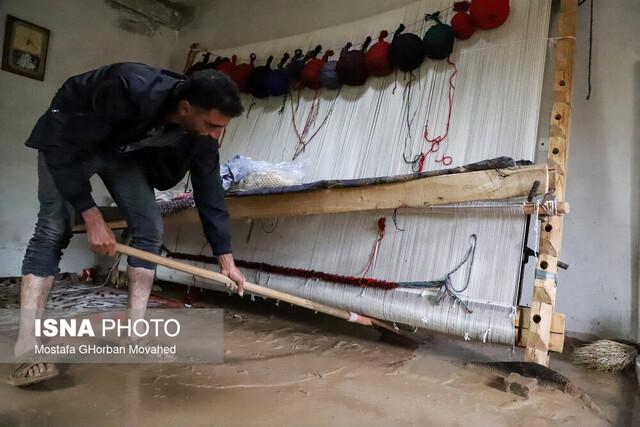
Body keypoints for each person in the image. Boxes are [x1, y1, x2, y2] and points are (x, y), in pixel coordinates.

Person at [9, 62, 246, 386]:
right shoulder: (127, 87)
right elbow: (61, 149)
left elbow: (209, 190)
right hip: (66, 141)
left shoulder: (200, 135)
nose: (216, 134)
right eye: (212, 124)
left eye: (223, 128)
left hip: (120, 151)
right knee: (53, 228)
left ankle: (135, 336)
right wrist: (91, 216)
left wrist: (225, 258)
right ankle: (27, 347)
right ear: (186, 108)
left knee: (149, 228)